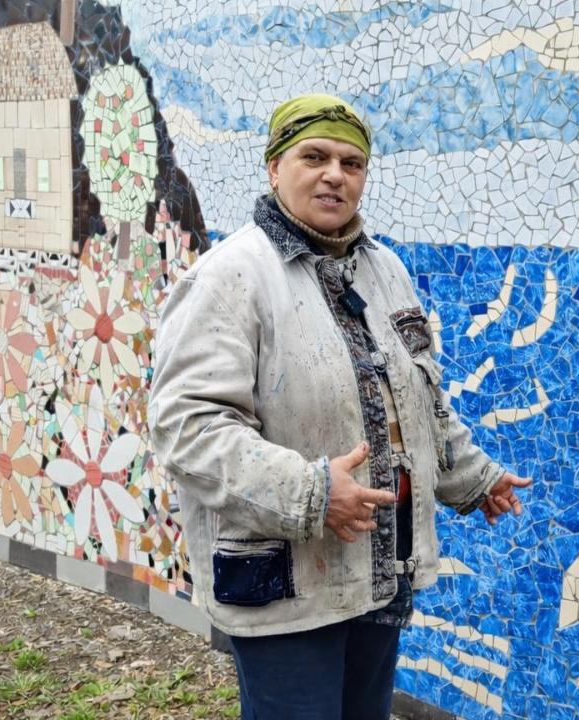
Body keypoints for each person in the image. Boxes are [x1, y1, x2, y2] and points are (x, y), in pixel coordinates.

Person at [148, 93, 531, 720]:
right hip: (284, 583)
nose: (335, 175)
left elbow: (420, 403)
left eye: (352, 164)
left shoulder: (386, 270)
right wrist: (311, 492)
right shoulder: (229, 276)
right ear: (275, 167)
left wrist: (473, 478)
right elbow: (186, 428)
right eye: (315, 157)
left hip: (380, 570)